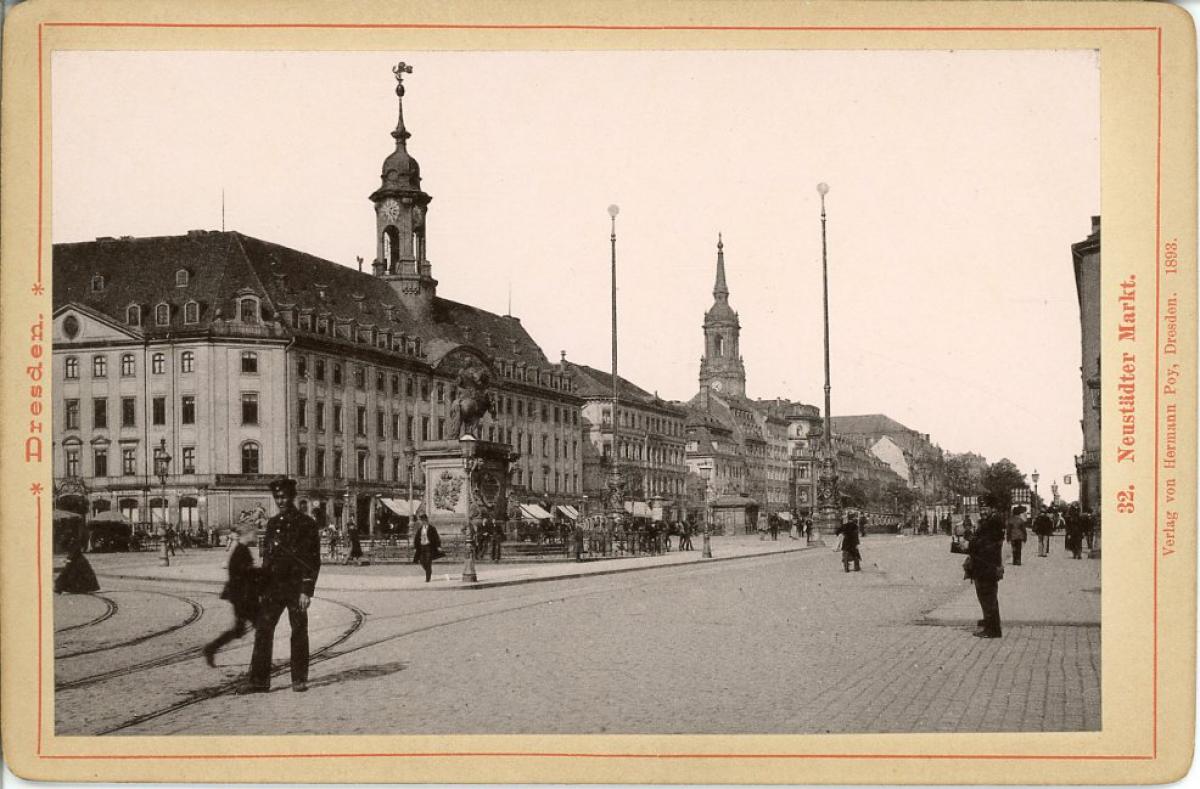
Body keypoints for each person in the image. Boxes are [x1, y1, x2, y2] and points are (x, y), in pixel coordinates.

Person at [241, 478, 321, 694]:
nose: (281, 501)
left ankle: (299, 679)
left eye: (284, 497)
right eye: (277, 497)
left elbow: (313, 560)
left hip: (296, 588)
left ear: (292, 496)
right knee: (263, 630)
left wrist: (306, 590)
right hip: (274, 588)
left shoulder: (307, 524)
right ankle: (259, 681)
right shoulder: (273, 523)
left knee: (298, 631)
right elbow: (267, 559)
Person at [203, 523, 260, 666]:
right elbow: (244, 574)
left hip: (240, 596)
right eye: (254, 533)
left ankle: (211, 649)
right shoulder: (241, 551)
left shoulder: (242, 549)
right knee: (262, 627)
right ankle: (260, 661)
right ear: (246, 534)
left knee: (240, 629)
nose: (256, 535)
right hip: (243, 597)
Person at [966, 499, 1005, 638]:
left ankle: (992, 629)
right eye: (981, 508)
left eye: (985, 508)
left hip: (987, 565)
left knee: (988, 597)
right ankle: (990, 624)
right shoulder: (989, 522)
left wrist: (971, 543)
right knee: (987, 598)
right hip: (984, 565)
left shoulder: (992, 524)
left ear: (992, 509)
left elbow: (987, 545)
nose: (982, 511)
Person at [412, 513, 442, 582]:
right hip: (422, 547)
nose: (423, 522)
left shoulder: (432, 528)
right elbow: (416, 538)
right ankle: (429, 571)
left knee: (428, 561)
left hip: (429, 547)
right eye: (422, 521)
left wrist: (438, 546)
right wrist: (415, 547)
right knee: (422, 561)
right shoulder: (420, 529)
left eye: (424, 520)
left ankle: (428, 577)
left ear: (427, 520)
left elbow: (436, 537)